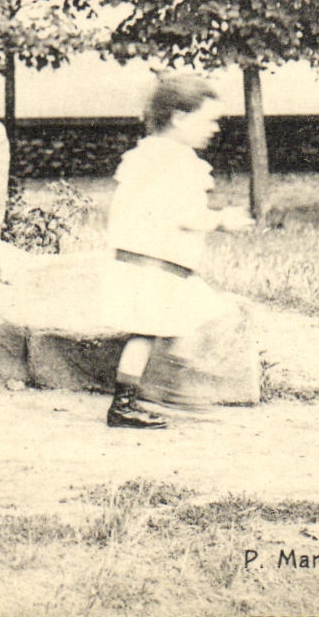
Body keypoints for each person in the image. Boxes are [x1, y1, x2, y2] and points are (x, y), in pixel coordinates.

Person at [102, 73, 252, 428]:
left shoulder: (144, 155)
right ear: (180, 118)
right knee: (158, 329)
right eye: (210, 119)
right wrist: (220, 220)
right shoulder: (179, 161)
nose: (216, 128)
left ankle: (149, 394)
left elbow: (124, 208)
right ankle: (156, 394)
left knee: (162, 327)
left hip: (142, 261)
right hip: (156, 265)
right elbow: (184, 214)